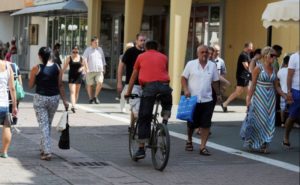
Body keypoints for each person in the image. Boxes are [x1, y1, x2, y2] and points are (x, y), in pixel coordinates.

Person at [125, 40, 172, 160]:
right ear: (157, 48)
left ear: (146, 48)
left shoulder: (141, 56)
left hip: (149, 88)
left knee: (144, 116)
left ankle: (141, 149)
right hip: (164, 86)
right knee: (167, 100)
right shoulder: (164, 57)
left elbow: (133, 76)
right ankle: (165, 121)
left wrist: (128, 92)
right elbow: (164, 73)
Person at [243, 46, 285, 153]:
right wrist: (248, 99)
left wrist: (285, 95)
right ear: (265, 56)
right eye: (272, 55)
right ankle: (252, 141)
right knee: (259, 121)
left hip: (271, 99)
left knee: (269, 122)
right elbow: (252, 85)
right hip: (259, 98)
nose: (274, 58)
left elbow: (277, 87)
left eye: (275, 56)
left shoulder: (275, 69)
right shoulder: (258, 68)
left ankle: (264, 144)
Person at [29, 47, 68, 161]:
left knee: (43, 125)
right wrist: (65, 100)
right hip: (54, 99)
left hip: (40, 99)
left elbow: (30, 85)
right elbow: (60, 85)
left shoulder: (36, 68)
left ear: (40, 56)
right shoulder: (57, 67)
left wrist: (37, 79)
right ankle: (43, 147)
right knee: (47, 125)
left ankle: (47, 152)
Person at [181, 45, 221, 156]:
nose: (204, 54)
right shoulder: (190, 64)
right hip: (193, 99)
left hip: (207, 99)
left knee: (206, 124)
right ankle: (189, 139)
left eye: (206, 52)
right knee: (191, 123)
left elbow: (215, 81)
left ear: (209, 54)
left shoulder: (212, 66)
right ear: (198, 53)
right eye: (202, 52)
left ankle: (203, 147)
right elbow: (183, 78)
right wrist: (185, 89)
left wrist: (218, 94)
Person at [117, 33, 145, 118]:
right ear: (136, 41)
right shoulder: (130, 51)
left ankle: (132, 126)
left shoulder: (146, 52)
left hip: (144, 84)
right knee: (136, 107)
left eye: (144, 40)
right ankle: (134, 126)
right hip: (132, 83)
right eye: (141, 40)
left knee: (139, 107)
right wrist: (119, 82)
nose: (143, 42)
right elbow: (121, 66)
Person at [221, 42, 253, 112]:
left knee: (249, 91)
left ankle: (249, 107)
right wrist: (254, 69)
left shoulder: (247, 54)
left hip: (245, 75)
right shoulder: (243, 55)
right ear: (246, 47)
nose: (252, 49)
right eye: (251, 47)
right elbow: (246, 66)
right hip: (242, 76)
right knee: (238, 92)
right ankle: (225, 103)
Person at [62, 45, 88, 113]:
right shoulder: (69, 58)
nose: (75, 53)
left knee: (77, 92)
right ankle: (73, 106)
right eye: (73, 52)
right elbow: (64, 67)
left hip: (79, 77)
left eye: (76, 52)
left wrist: (82, 68)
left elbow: (85, 67)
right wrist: (60, 74)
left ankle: (74, 104)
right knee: (72, 92)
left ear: (78, 51)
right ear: (72, 51)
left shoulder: (82, 58)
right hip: (71, 77)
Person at [0, 59, 17, 158]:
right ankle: (4, 152)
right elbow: (12, 88)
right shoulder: (8, 66)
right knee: (7, 126)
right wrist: (14, 105)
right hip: (4, 104)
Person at [283, 51, 300, 148]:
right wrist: (289, 91)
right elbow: (289, 76)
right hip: (296, 90)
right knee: (292, 117)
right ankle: (286, 137)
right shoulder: (294, 57)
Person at [83, 36, 106, 104]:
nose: (97, 43)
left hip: (99, 70)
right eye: (95, 42)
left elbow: (103, 59)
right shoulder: (88, 50)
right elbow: (84, 59)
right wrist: (86, 68)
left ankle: (95, 96)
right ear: (91, 42)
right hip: (90, 70)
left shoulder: (100, 49)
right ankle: (90, 98)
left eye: (97, 42)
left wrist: (104, 67)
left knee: (100, 82)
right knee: (90, 85)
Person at [117, 42, 135, 113]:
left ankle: (132, 107)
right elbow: (120, 67)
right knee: (124, 93)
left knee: (133, 93)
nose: (130, 49)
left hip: (133, 77)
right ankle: (123, 107)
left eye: (131, 48)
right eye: (128, 48)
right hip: (125, 76)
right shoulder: (122, 56)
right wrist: (119, 80)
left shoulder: (136, 55)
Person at [277, 55, 290, 127]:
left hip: (282, 92)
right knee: (292, 108)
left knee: (282, 108)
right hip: (290, 92)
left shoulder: (280, 71)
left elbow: (278, 81)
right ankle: (291, 123)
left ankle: (282, 123)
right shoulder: (291, 71)